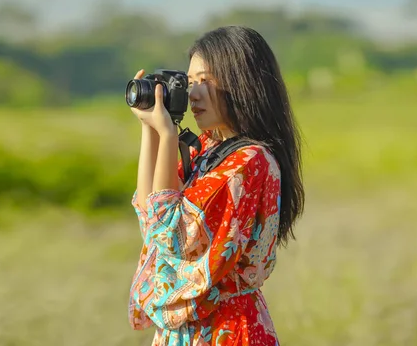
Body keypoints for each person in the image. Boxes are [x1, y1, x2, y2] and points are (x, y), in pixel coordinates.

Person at [128, 25, 305, 346]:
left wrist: (168, 136)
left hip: (226, 330)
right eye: (190, 82)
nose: (193, 93)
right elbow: (150, 217)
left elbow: (174, 238)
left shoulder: (250, 161)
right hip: (188, 331)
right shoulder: (205, 150)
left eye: (206, 81)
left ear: (242, 82)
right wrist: (150, 131)